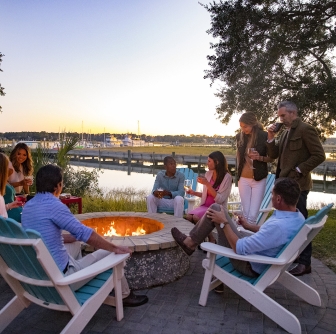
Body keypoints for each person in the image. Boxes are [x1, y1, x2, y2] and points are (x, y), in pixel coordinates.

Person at [21, 164, 148, 307]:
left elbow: (41, 236)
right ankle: (125, 295)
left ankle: (81, 274)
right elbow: (84, 233)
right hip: (61, 279)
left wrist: (69, 238)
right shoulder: (54, 205)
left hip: (40, 273)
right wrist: (115, 248)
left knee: (74, 242)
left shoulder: (28, 207)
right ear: (57, 186)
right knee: (111, 253)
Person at [171, 178, 304, 280]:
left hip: (249, 264)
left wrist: (224, 222)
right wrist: (248, 226)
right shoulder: (297, 217)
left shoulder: (278, 227)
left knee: (216, 210)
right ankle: (191, 242)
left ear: (279, 199)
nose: (271, 197)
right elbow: (269, 234)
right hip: (258, 254)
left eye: (272, 195)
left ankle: (189, 243)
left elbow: (238, 248)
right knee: (217, 208)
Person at [266, 101, 326, 276]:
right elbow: (274, 155)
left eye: (283, 115)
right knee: (290, 224)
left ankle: (305, 263)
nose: (281, 119)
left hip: (298, 186)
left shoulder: (305, 129)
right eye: (279, 116)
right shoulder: (285, 133)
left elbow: (319, 155)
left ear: (293, 113)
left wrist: (300, 169)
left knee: (302, 225)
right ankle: (297, 257)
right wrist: (270, 136)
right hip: (284, 185)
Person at [185, 151, 232, 243]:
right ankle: (205, 239)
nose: (207, 163)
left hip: (217, 207)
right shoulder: (208, 174)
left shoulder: (227, 178)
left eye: (209, 161)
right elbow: (206, 194)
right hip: (205, 205)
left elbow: (220, 199)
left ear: (217, 162)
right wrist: (193, 192)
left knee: (196, 217)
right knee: (189, 216)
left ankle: (210, 239)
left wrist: (207, 184)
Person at [236, 112, 274, 224]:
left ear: (252, 124)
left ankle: (248, 238)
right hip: (243, 178)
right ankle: (244, 237)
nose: (243, 129)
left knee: (253, 214)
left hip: (259, 178)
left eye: (245, 126)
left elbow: (272, 158)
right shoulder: (240, 137)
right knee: (246, 212)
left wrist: (259, 157)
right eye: (241, 127)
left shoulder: (263, 136)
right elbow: (238, 157)